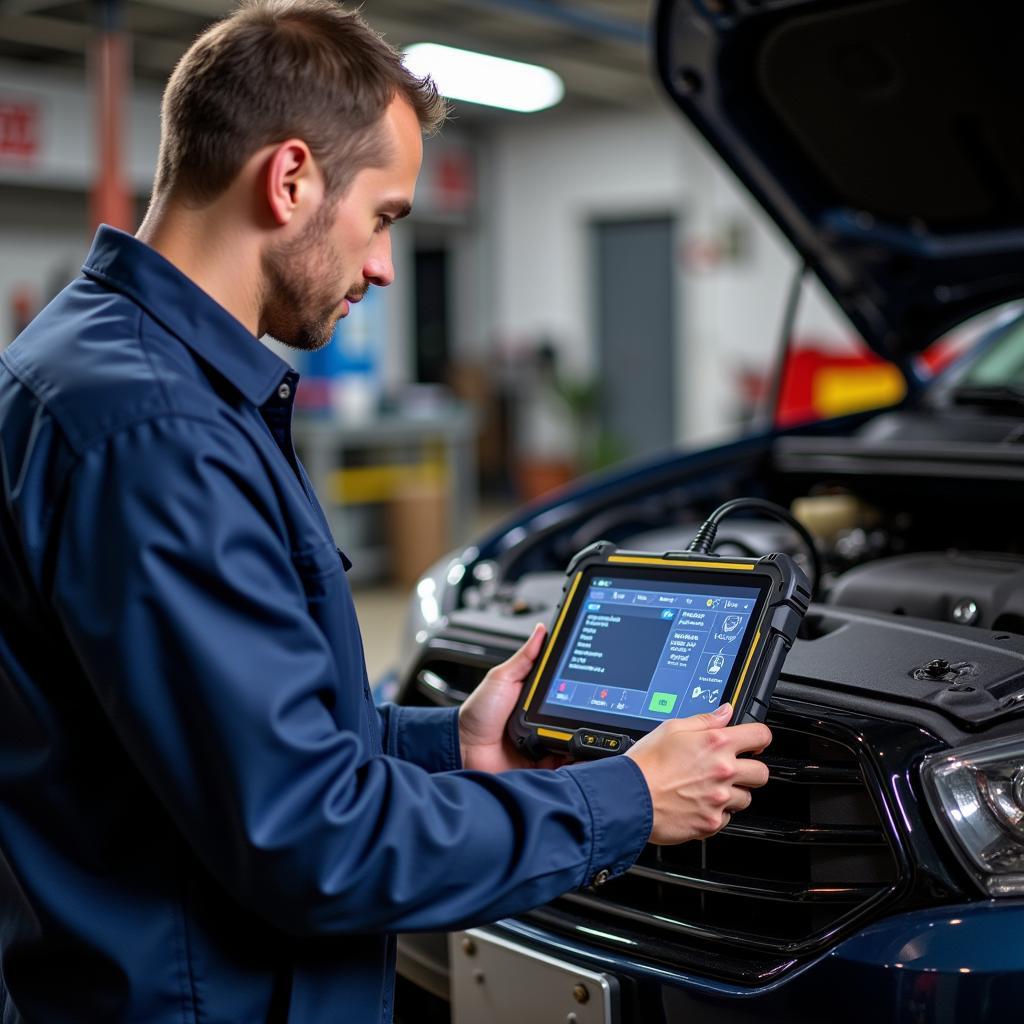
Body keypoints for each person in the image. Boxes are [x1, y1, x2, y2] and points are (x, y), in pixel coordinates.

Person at [0, 1, 773, 1020]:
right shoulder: (158, 430)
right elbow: (312, 842)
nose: (381, 266)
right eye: (385, 218)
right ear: (288, 180)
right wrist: (623, 801)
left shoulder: (88, 364)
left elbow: (229, 733)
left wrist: (450, 742)